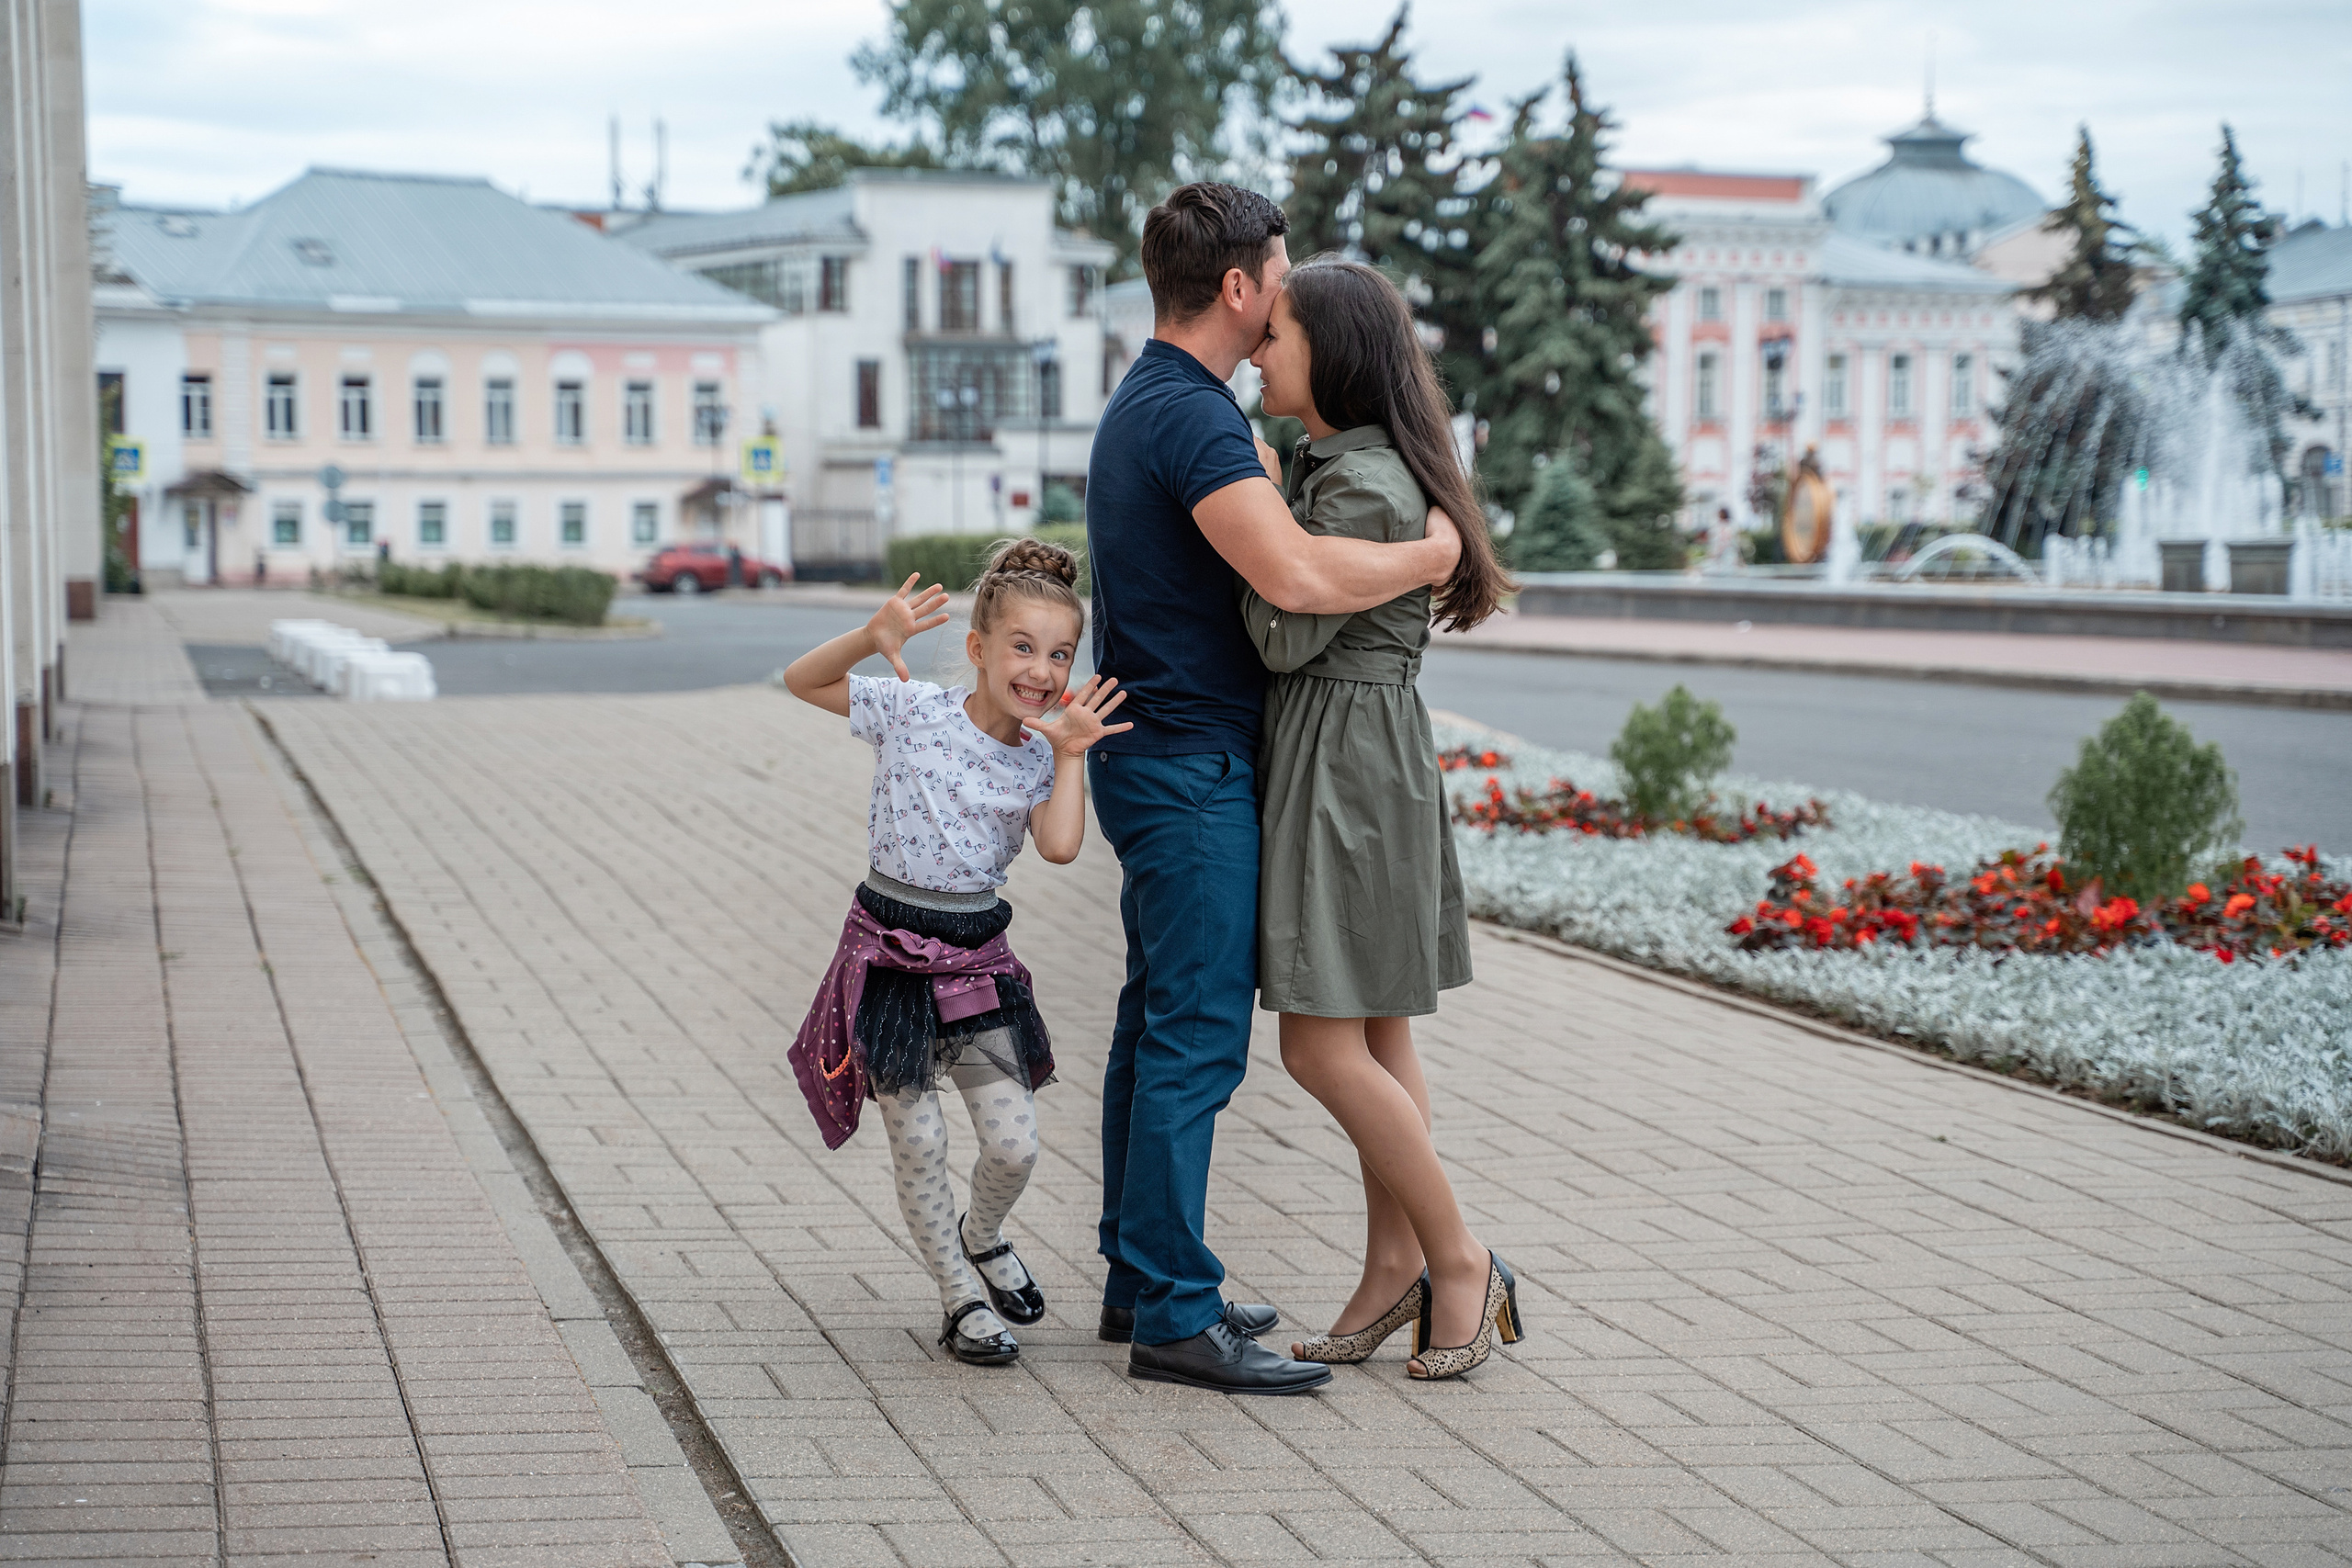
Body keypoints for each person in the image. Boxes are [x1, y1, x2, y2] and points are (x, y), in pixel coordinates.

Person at [1084, 183, 1463, 1396]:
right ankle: (1176, 1313)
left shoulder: (1159, 400)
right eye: (1277, 283)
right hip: (1191, 766)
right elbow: (1295, 580)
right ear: (1239, 287)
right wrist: (1436, 552)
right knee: (1194, 1039)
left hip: (1171, 755)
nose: (1278, 311)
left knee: (1159, 1027)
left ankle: (1144, 1277)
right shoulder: (1194, 418)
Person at [1242, 258, 1522, 1380]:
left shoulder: (1359, 489)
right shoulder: (1344, 466)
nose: (1258, 353)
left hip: (1344, 766)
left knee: (1318, 1042)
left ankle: (1460, 1261)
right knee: (1378, 1034)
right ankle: (1390, 1272)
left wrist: (1260, 500)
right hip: (1363, 757)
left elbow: (1279, 635)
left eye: (1276, 336)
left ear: (1334, 352)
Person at [780, 540, 1130, 1365]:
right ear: (977, 649)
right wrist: (873, 635)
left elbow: (1061, 847)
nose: (1040, 669)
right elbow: (804, 681)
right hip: (890, 956)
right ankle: (958, 1294)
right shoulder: (912, 708)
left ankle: (984, 1233)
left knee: (1015, 1144)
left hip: (976, 961)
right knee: (922, 1140)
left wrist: (1073, 752)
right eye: (1021, 646)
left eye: (1058, 654)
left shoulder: (1043, 753)